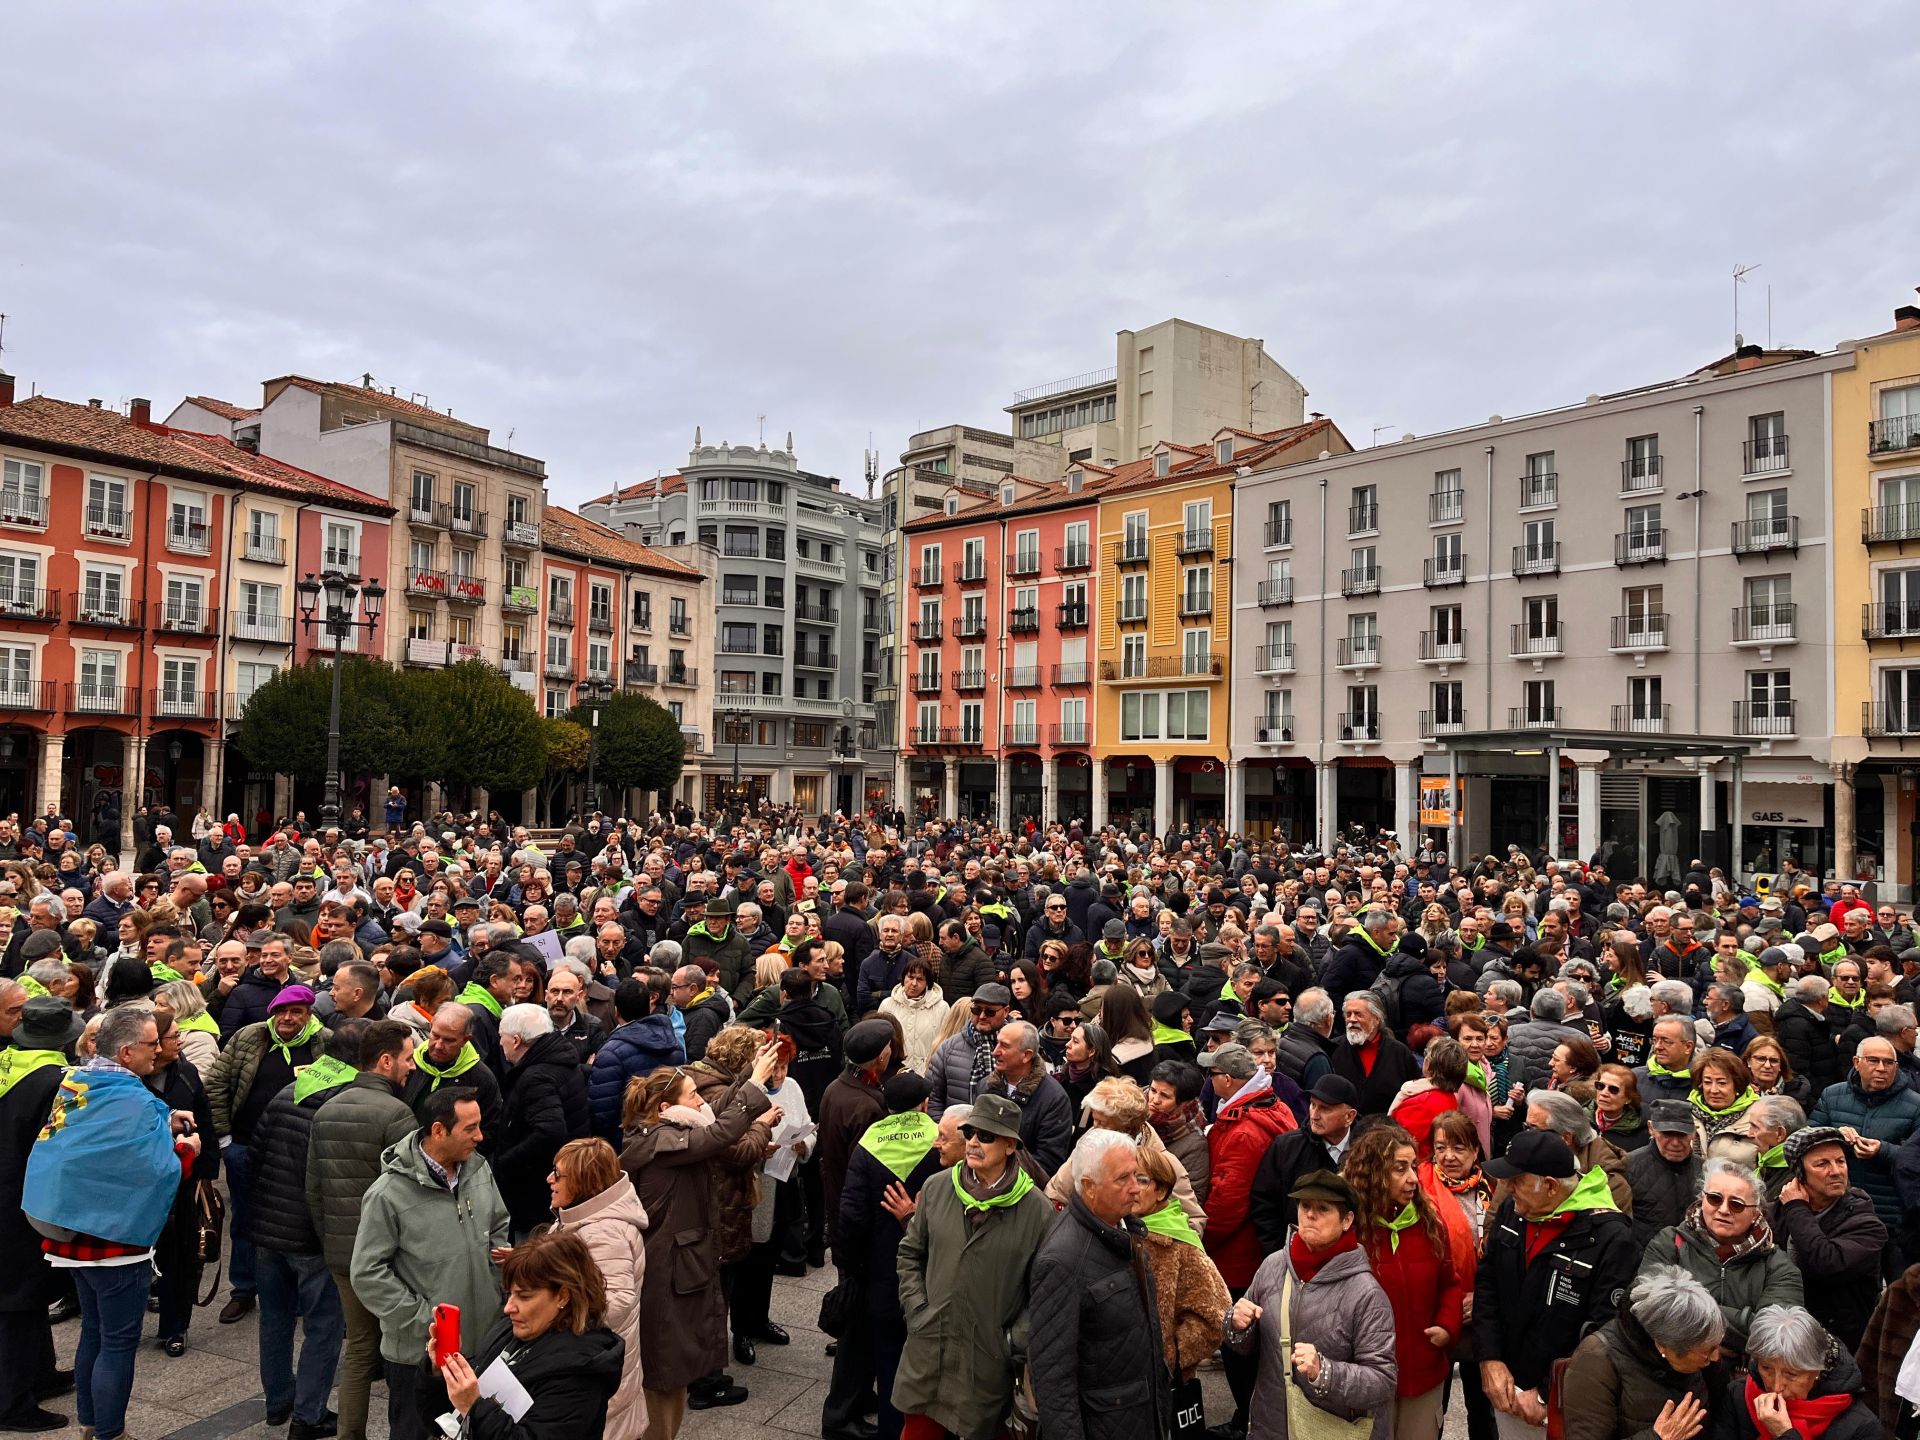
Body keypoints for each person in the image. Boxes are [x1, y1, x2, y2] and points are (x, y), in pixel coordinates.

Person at [21, 1005, 203, 1440]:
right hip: (116, 1240)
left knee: (93, 1333)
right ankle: (111, 1433)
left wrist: (164, 1117)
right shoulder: (133, 1098)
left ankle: (90, 1423)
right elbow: (158, 1170)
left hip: (68, 1231)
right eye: (151, 1044)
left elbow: (105, 1141)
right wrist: (188, 1148)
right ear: (125, 1052)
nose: (159, 1050)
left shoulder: (78, 1080)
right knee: (119, 1343)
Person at [620, 1042, 779, 1430]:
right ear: (664, 1108)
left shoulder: (667, 1127)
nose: (699, 1101)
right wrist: (756, 1085)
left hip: (681, 1261)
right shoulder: (663, 1142)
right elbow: (720, 1133)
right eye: (692, 1095)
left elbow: (715, 1112)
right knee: (666, 1369)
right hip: (669, 1266)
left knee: (674, 1365)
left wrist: (748, 1074)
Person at [350, 1088, 510, 1440]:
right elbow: (367, 1273)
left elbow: (498, 1224)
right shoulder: (386, 1194)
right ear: (438, 1130)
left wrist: (500, 1277)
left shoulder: (478, 1169)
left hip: (481, 1343)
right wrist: (426, 1319)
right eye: (470, 1128)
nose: (480, 1136)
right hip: (420, 1358)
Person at [892, 1091, 1052, 1440]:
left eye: (987, 1136)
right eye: (970, 1133)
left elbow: (1044, 1290)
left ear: (1010, 1146)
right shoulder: (936, 1188)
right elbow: (909, 1254)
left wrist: (1011, 1341)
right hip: (929, 1350)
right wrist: (917, 1309)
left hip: (985, 1363)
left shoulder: (1037, 1210)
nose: (974, 1142)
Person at [1474, 1129, 1637, 1440]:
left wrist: (1546, 1392)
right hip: (1508, 1390)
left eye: (1516, 1181)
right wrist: (1490, 1358)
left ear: (1548, 1186)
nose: (1506, 1189)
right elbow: (1487, 1282)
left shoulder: (1611, 1238)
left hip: (1564, 1407)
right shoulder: (1514, 1211)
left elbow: (1604, 1332)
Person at [245, 1021, 360, 1440]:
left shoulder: (286, 1091)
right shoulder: (345, 1104)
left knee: (273, 1318)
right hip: (311, 1235)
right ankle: (309, 1415)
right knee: (323, 1325)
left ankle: (278, 1401)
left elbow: (255, 1155)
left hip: (268, 1228)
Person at [307, 1018, 421, 1440]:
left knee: (358, 1350)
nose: (412, 1067)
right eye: (408, 1059)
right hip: (389, 1257)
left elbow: (314, 1189)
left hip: (342, 1252)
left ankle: (349, 1434)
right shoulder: (397, 1114)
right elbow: (411, 1193)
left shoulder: (327, 1108)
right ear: (386, 1061)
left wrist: (332, 1242)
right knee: (399, 1351)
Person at [1225, 1170, 1396, 1440]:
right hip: (1270, 1427)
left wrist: (1324, 1373)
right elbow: (1245, 1347)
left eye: (1323, 1208)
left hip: (1332, 1431)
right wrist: (1236, 1325)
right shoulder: (1272, 1266)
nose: (1310, 1215)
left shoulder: (1367, 1294)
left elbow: (1382, 1381)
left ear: (1347, 1220)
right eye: (1304, 1206)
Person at [1029, 1129, 1171, 1440]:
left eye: (1137, 1175)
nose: (1136, 1188)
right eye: (1123, 1179)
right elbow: (1052, 1377)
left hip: (1139, 1419)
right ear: (1089, 1187)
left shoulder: (1122, 1229)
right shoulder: (1062, 1259)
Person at [834, 1073, 954, 1440]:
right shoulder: (941, 1144)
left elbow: (851, 1216)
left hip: (881, 1269)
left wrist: (851, 1265)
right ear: (924, 1103)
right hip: (932, 1271)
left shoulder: (868, 1144)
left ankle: (891, 1429)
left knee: (888, 1357)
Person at [204, 982, 330, 1325]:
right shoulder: (249, 1037)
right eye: (281, 1011)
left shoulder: (325, 1042)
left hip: (300, 1152)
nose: (287, 1018)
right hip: (245, 1145)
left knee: (298, 1222)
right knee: (245, 1220)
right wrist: (225, 1138)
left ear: (309, 1015)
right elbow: (216, 1084)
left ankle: (297, 1293)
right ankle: (243, 1290)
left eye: (296, 1012)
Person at [438, 1230, 626, 1440]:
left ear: (563, 1296)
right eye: (509, 1294)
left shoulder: (580, 1374)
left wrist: (474, 1407)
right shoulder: (512, 1330)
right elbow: (442, 1411)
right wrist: (441, 1370)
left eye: (524, 1296)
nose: (508, 1308)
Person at [0, 996, 81, 1432]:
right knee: (16, 1300)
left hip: (8, 1191)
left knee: (24, 1295)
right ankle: (11, 1402)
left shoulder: (6, 1062)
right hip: (25, 1199)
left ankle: (40, 1375)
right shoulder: (56, 1080)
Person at [1642, 1157, 1802, 1356]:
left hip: (1744, 1377)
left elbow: (1777, 1335)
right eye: (1715, 1199)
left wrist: (1683, 1309)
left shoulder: (1778, 1265)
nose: (1724, 1210)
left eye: (1736, 1204)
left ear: (1755, 1213)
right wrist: (1744, 1322)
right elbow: (1646, 1308)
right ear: (1702, 1200)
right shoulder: (1669, 1242)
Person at [545, 1138, 648, 1440]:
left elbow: (616, 1303)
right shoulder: (587, 1219)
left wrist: (556, 1313)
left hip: (601, 1385)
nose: (549, 1179)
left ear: (583, 1181)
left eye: (558, 1174)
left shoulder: (602, 1232)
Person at [1132, 1143, 1231, 1433]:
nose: (1134, 1188)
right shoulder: (1119, 1229)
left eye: (1142, 1180)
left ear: (1161, 1191)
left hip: (1164, 1383)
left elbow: (1216, 1317)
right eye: (1127, 1178)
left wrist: (1169, 1356)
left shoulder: (1179, 1244)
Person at [1558, 1267, 1720, 1440]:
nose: (1716, 1357)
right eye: (1707, 1351)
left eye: (1717, 1346)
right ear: (1663, 1345)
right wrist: (1657, 1438)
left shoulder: (1699, 1349)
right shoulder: (1597, 1358)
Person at [1771, 1125, 1889, 1353]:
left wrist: (1797, 1208)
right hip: (1786, 1336)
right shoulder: (1778, 1212)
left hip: (1843, 1344)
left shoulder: (1867, 1224)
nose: (1836, 1171)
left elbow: (1824, 1263)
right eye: (1822, 1164)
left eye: (1840, 1161)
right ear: (1799, 1175)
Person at [143, 1010, 217, 1358]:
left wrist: (206, 1174)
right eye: (173, 1036)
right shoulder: (129, 1080)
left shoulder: (185, 1073)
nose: (181, 1041)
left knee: (182, 1257)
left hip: (182, 1183)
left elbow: (205, 1120)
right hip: (139, 1185)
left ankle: (175, 1327)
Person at [1807, 1034, 1920, 1239]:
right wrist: (1836, 1135)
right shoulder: (1832, 1096)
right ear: (1856, 1063)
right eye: (1873, 1060)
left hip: (1891, 1213)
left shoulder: (1915, 1104)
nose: (1881, 1068)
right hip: (1837, 1209)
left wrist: (1883, 1150)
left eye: (1888, 1062)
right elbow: (1806, 1141)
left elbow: (1916, 1158)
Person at [494, 1002, 592, 1237]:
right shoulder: (559, 1059)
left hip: (537, 1191)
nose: (499, 1042)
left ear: (516, 1040)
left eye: (502, 1037)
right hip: (560, 1180)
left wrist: (506, 1161)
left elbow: (549, 1131)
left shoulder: (537, 1076)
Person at [1731, 1304, 1881, 1440]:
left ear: (1818, 1370)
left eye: (1791, 1374)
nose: (1776, 1387)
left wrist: (1784, 1434)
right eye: (1766, 1368)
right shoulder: (1738, 1396)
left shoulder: (1863, 1427)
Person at [1250, 1074, 1360, 1254]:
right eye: (1313, 1105)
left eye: (1325, 1109)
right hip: (1295, 1258)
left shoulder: (1368, 1150)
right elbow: (1264, 1205)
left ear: (1349, 1116)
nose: (1314, 1115)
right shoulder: (1286, 1148)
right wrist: (1281, 1252)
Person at [588, 979, 685, 1142]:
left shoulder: (610, 1054)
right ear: (649, 1007)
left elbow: (602, 1112)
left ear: (616, 1011)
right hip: (667, 1136)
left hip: (627, 1141)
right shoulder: (674, 1043)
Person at [978, 1019, 1074, 1177]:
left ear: (1026, 1055)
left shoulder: (1054, 1099)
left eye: (1005, 1046)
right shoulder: (985, 1087)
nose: (995, 1052)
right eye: (997, 1043)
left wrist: (998, 1176)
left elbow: (1047, 1163)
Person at [402, 1001, 504, 1146]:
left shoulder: (481, 1078)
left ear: (465, 1040)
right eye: (435, 1035)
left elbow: (490, 1131)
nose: (438, 1045)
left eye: (449, 1040)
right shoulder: (410, 1064)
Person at [1623, 1100, 1704, 1249]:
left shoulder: (1706, 1171)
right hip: (1643, 1262)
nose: (1675, 1143)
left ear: (1693, 1133)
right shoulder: (1628, 1167)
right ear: (1651, 1129)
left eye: (1682, 1135)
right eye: (1667, 1134)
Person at [1329, 990, 1422, 1116]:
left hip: (1385, 1130)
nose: (1352, 1020)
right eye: (1348, 1014)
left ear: (1376, 1019)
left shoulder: (1399, 1054)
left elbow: (1413, 1097)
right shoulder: (1332, 1048)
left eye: (1358, 1014)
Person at [878, 955, 947, 1075]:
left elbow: (945, 1044)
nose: (914, 983)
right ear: (903, 977)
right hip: (893, 1074)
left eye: (920, 979)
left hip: (927, 1074)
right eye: (910, 977)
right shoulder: (887, 1005)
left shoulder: (942, 1008)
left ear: (928, 983)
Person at [1589, 1063, 1648, 1151]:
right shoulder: (1580, 1117)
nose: (1604, 1093)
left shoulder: (1642, 1134)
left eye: (1613, 1089)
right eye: (1600, 1086)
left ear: (1628, 1098)